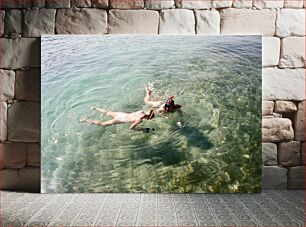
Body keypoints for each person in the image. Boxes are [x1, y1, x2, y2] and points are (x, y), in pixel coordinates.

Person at [80, 107, 155, 132]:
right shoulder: (140, 120)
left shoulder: (141, 111)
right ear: (148, 119)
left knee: (107, 112)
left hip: (122, 114)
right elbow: (131, 128)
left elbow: (150, 110)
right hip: (121, 119)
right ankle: (85, 120)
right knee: (103, 124)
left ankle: (95, 108)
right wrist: (141, 129)